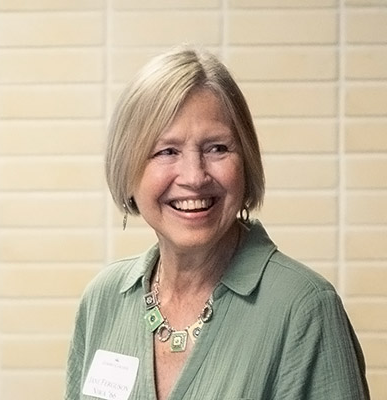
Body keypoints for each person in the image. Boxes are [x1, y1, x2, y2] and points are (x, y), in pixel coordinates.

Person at [65, 45, 370, 400]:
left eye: (217, 148)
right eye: (167, 151)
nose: (194, 176)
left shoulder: (304, 307)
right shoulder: (103, 299)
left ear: (247, 161)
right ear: (128, 167)